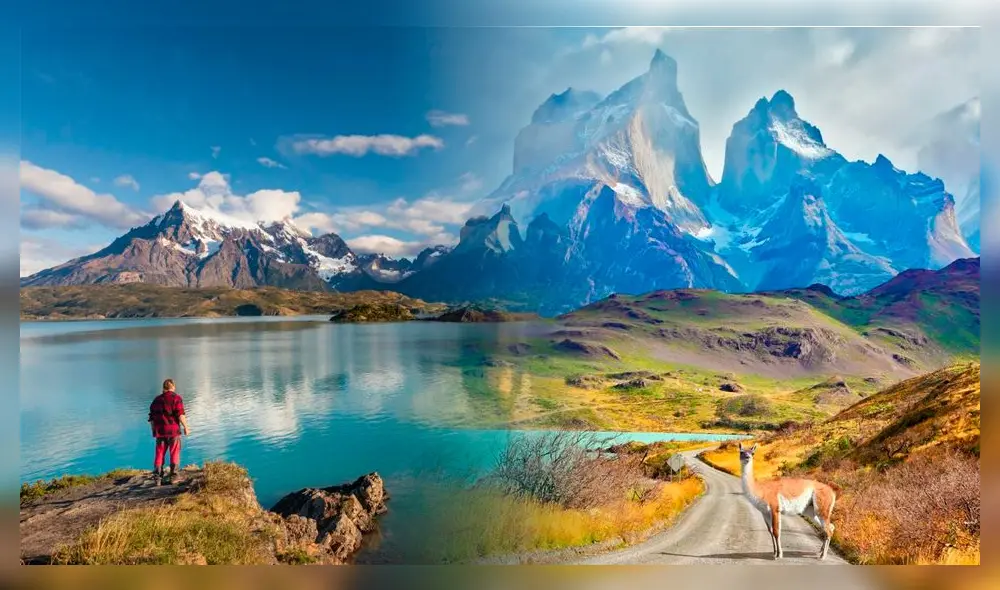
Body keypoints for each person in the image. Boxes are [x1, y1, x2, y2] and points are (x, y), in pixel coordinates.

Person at [148, 378, 190, 485]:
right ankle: (174, 476)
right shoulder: (176, 398)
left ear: (163, 388)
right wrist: (186, 427)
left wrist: (153, 429)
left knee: (159, 452)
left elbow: (151, 417)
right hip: (173, 431)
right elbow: (180, 414)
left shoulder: (156, 400)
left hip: (160, 431)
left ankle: (157, 478)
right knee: (174, 452)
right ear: (173, 387)